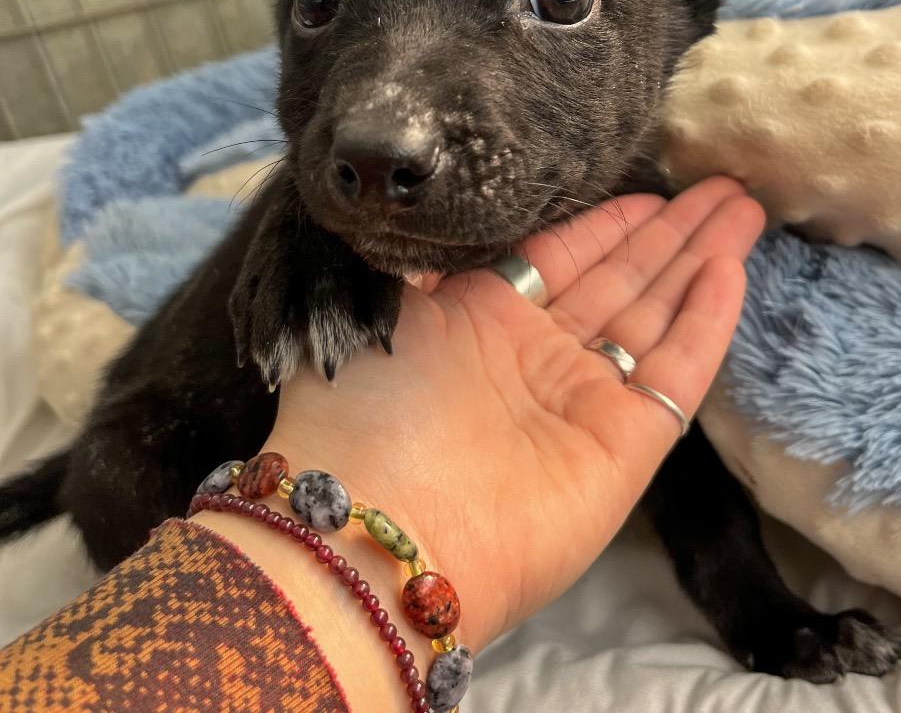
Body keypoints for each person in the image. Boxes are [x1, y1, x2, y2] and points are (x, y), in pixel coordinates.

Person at [0, 178, 763, 711]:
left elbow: (658, 424)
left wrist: (756, 604)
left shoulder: (636, 210)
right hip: (177, 443)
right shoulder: (335, 205)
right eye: (321, 2)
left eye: (559, 0)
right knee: (110, 473)